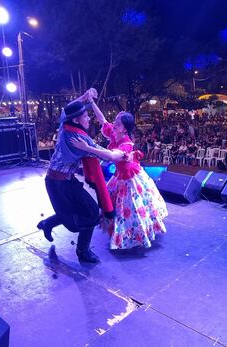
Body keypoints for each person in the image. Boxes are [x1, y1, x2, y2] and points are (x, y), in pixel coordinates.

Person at [72, 110, 168, 250]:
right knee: (111, 203)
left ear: (125, 129)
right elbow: (102, 119)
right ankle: (118, 230)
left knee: (129, 210)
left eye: (118, 123)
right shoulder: (114, 132)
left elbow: (111, 156)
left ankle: (131, 235)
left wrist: (87, 148)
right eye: (115, 121)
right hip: (119, 176)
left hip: (130, 179)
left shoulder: (126, 144)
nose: (114, 124)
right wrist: (92, 102)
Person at [36, 89, 109, 263]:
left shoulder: (65, 125)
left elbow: (66, 110)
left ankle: (48, 224)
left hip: (65, 181)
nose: (89, 118)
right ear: (76, 120)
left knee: (81, 211)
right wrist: (123, 155)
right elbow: (105, 154)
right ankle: (82, 252)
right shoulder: (78, 138)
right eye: (85, 116)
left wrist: (84, 97)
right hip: (57, 183)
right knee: (85, 213)